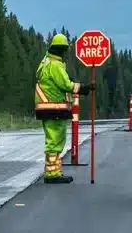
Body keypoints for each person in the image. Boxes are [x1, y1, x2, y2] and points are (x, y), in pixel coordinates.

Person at [34, 33, 93, 184]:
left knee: (54, 140)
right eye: (64, 50)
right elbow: (65, 85)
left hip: (48, 108)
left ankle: (54, 171)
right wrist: (84, 88)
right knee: (55, 141)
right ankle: (52, 174)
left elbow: (59, 81)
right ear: (61, 49)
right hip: (54, 108)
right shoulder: (55, 65)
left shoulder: (46, 62)